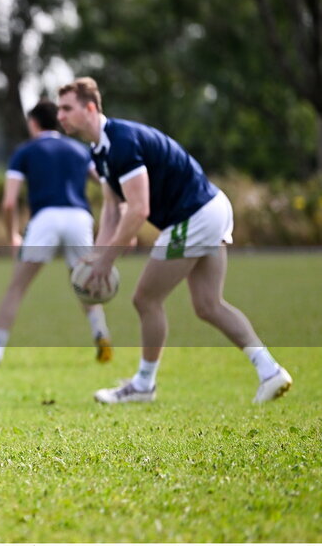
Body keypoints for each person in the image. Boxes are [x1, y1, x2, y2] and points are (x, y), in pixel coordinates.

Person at [56, 78, 293, 404]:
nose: (60, 116)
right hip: (211, 207)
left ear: (90, 108)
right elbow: (113, 209)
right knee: (209, 305)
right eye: (58, 109)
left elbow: (139, 210)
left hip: (195, 214)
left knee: (145, 299)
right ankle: (270, 371)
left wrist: (107, 261)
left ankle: (143, 385)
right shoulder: (99, 153)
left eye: (67, 108)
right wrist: (97, 255)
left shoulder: (121, 142)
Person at [0, 99, 113, 366]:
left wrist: (12, 235)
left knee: (16, 288)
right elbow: (106, 183)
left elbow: (9, 203)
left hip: (46, 219)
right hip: (79, 218)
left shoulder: (25, 151)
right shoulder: (80, 149)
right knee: (84, 284)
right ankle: (101, 333)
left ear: (33, 122)